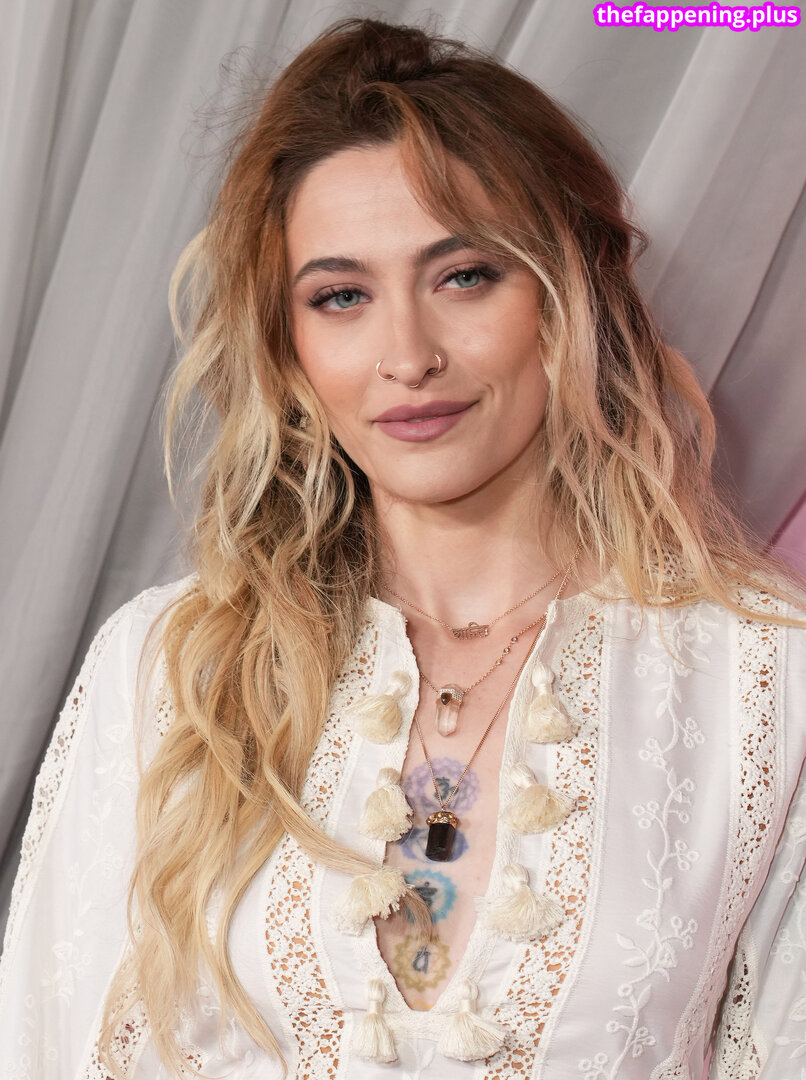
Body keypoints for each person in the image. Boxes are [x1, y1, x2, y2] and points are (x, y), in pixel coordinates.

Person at [1, 15, 805, 1079]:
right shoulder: (166, 669)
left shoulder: (762, 680)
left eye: (463, 275)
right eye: (341, 296)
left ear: (570, 292)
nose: (407, 355)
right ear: (290, 348)